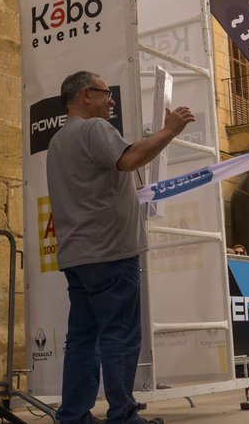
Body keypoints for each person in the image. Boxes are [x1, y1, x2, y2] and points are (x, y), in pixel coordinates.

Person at [46, 71, 192, 424]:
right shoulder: (95, 130)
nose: (111, 100)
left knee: (82, 339)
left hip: (78, 255)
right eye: (105, 93)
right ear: (85, 95)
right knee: (120, 335)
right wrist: (170, 130)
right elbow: (129, 159)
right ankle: (123, 415)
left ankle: (74, 415)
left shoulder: (57, 142)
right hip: (111, 253)